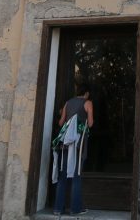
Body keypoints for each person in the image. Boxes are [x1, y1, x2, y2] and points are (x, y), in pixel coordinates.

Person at [52, 83, 94, 216]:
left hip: (65, 143)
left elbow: (60, 123)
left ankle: (58, 209)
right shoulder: (88, 103)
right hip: (78, 144)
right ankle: (75, 209)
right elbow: (91, 123)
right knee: (76, 175)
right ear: (86, 93)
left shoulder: (68, 103)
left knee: (63, 175)